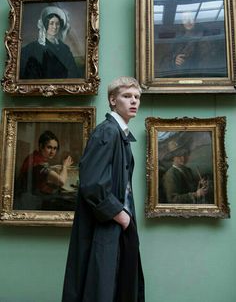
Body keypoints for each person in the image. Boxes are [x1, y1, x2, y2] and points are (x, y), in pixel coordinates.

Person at [62, 76, 145, 302]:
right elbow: (91, 183)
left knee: (116, 285)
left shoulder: (120, 134)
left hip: (115, 224)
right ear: (112, 100)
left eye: (137, 97)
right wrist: (120, 215)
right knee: (101, 288)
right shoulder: (107, 131)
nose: (133, 101)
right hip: (106, 224)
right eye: (126, 96)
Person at [14, 130, 74, 210]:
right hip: (28, 202)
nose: (52, 152)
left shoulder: (34, 157)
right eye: (49, 147)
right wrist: (65, 166)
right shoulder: (37, 162)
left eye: (55, 148)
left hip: (31, 198)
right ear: (41, 146)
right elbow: (61, 181)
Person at [20, 5, 84, 79]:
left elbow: (73, 71)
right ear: (46, 25)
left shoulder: (65, 49)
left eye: (57, 24)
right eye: (51, 23)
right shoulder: (33, 47)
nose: (55, 27)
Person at [161, 139, 212, 204]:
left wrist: (199, 184)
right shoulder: (170, 175)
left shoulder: (187, 170)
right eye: (179, 155)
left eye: (185, 154)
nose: (183, 158)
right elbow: (173, 199)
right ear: (172, 158)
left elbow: (190, 187)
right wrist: (196, 194)